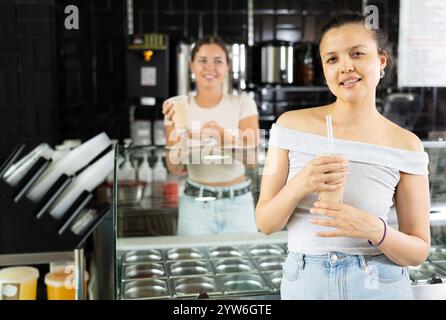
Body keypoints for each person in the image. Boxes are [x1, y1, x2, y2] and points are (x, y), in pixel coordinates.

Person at [255, 12, 430, 300]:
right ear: (324, 70)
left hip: (378, 282)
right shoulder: (288, 127)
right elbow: (265, 223)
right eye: (332, 59)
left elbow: (418, 251)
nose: (346, 66)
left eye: (357, 54)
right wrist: (302, 183)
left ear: (381, 61)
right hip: (306, 283)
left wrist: (374, 228)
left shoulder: (406, 145)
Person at [163, 35, 260, 236]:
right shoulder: (178, 108)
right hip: (195, 206)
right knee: (193, 266)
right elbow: (174, 167)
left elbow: (251, 159)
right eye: (202, 61)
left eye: (218, 61)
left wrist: (221, 137)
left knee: (243, 267)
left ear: (227, 67)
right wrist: (183, 139)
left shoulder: (243, 102)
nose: (210, 68)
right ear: (191, 66)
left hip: (239, 205)